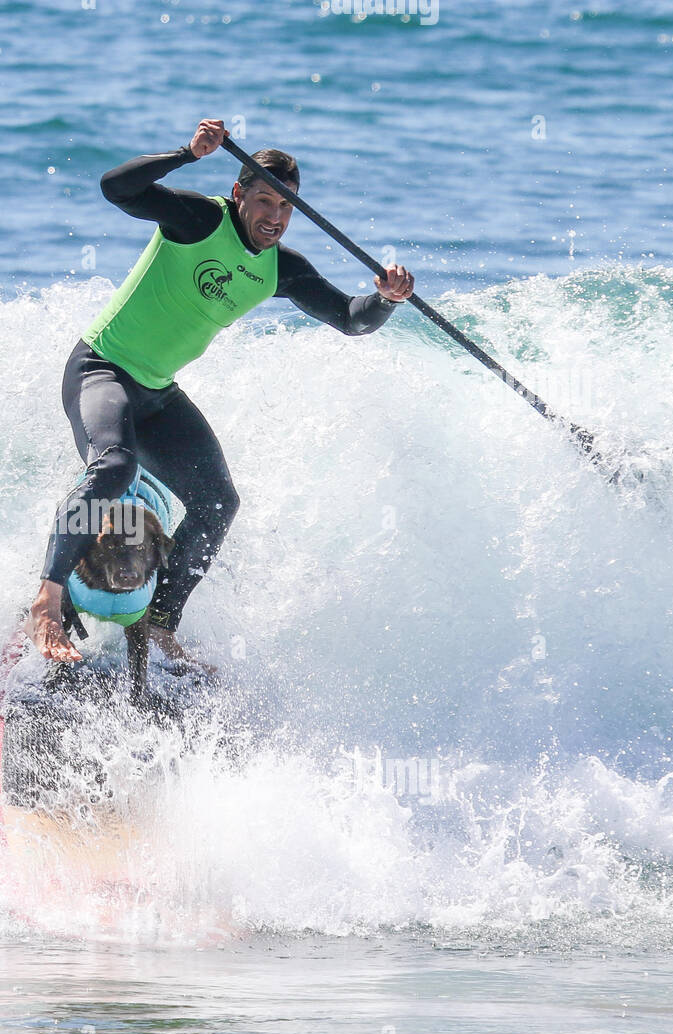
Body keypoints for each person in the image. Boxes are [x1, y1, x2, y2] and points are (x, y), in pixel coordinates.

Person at [23, 118, 415, 668]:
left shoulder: (281, 269)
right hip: (101, 369)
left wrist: (388, 299)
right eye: (263, 202)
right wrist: (187, 152)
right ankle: (46, 599)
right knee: (114, 466)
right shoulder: (199, 220)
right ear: (238, 195)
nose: (274, 218)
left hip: (157, 392)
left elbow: (351, 320)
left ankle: (160, 623)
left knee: (217, 504)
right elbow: (117, 188)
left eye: (286, 207)